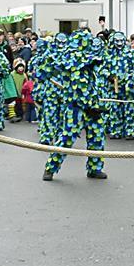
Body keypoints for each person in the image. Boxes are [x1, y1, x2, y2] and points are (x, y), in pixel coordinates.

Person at [42, 29, 107, 181]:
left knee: (97, 136)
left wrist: (96, 104)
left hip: (92, 106)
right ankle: (50, 168)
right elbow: (80, 88)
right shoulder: (75, 60)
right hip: (76, 108)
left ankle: (95, 168)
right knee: (67, 137)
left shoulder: (86, 60)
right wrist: (91, 106)